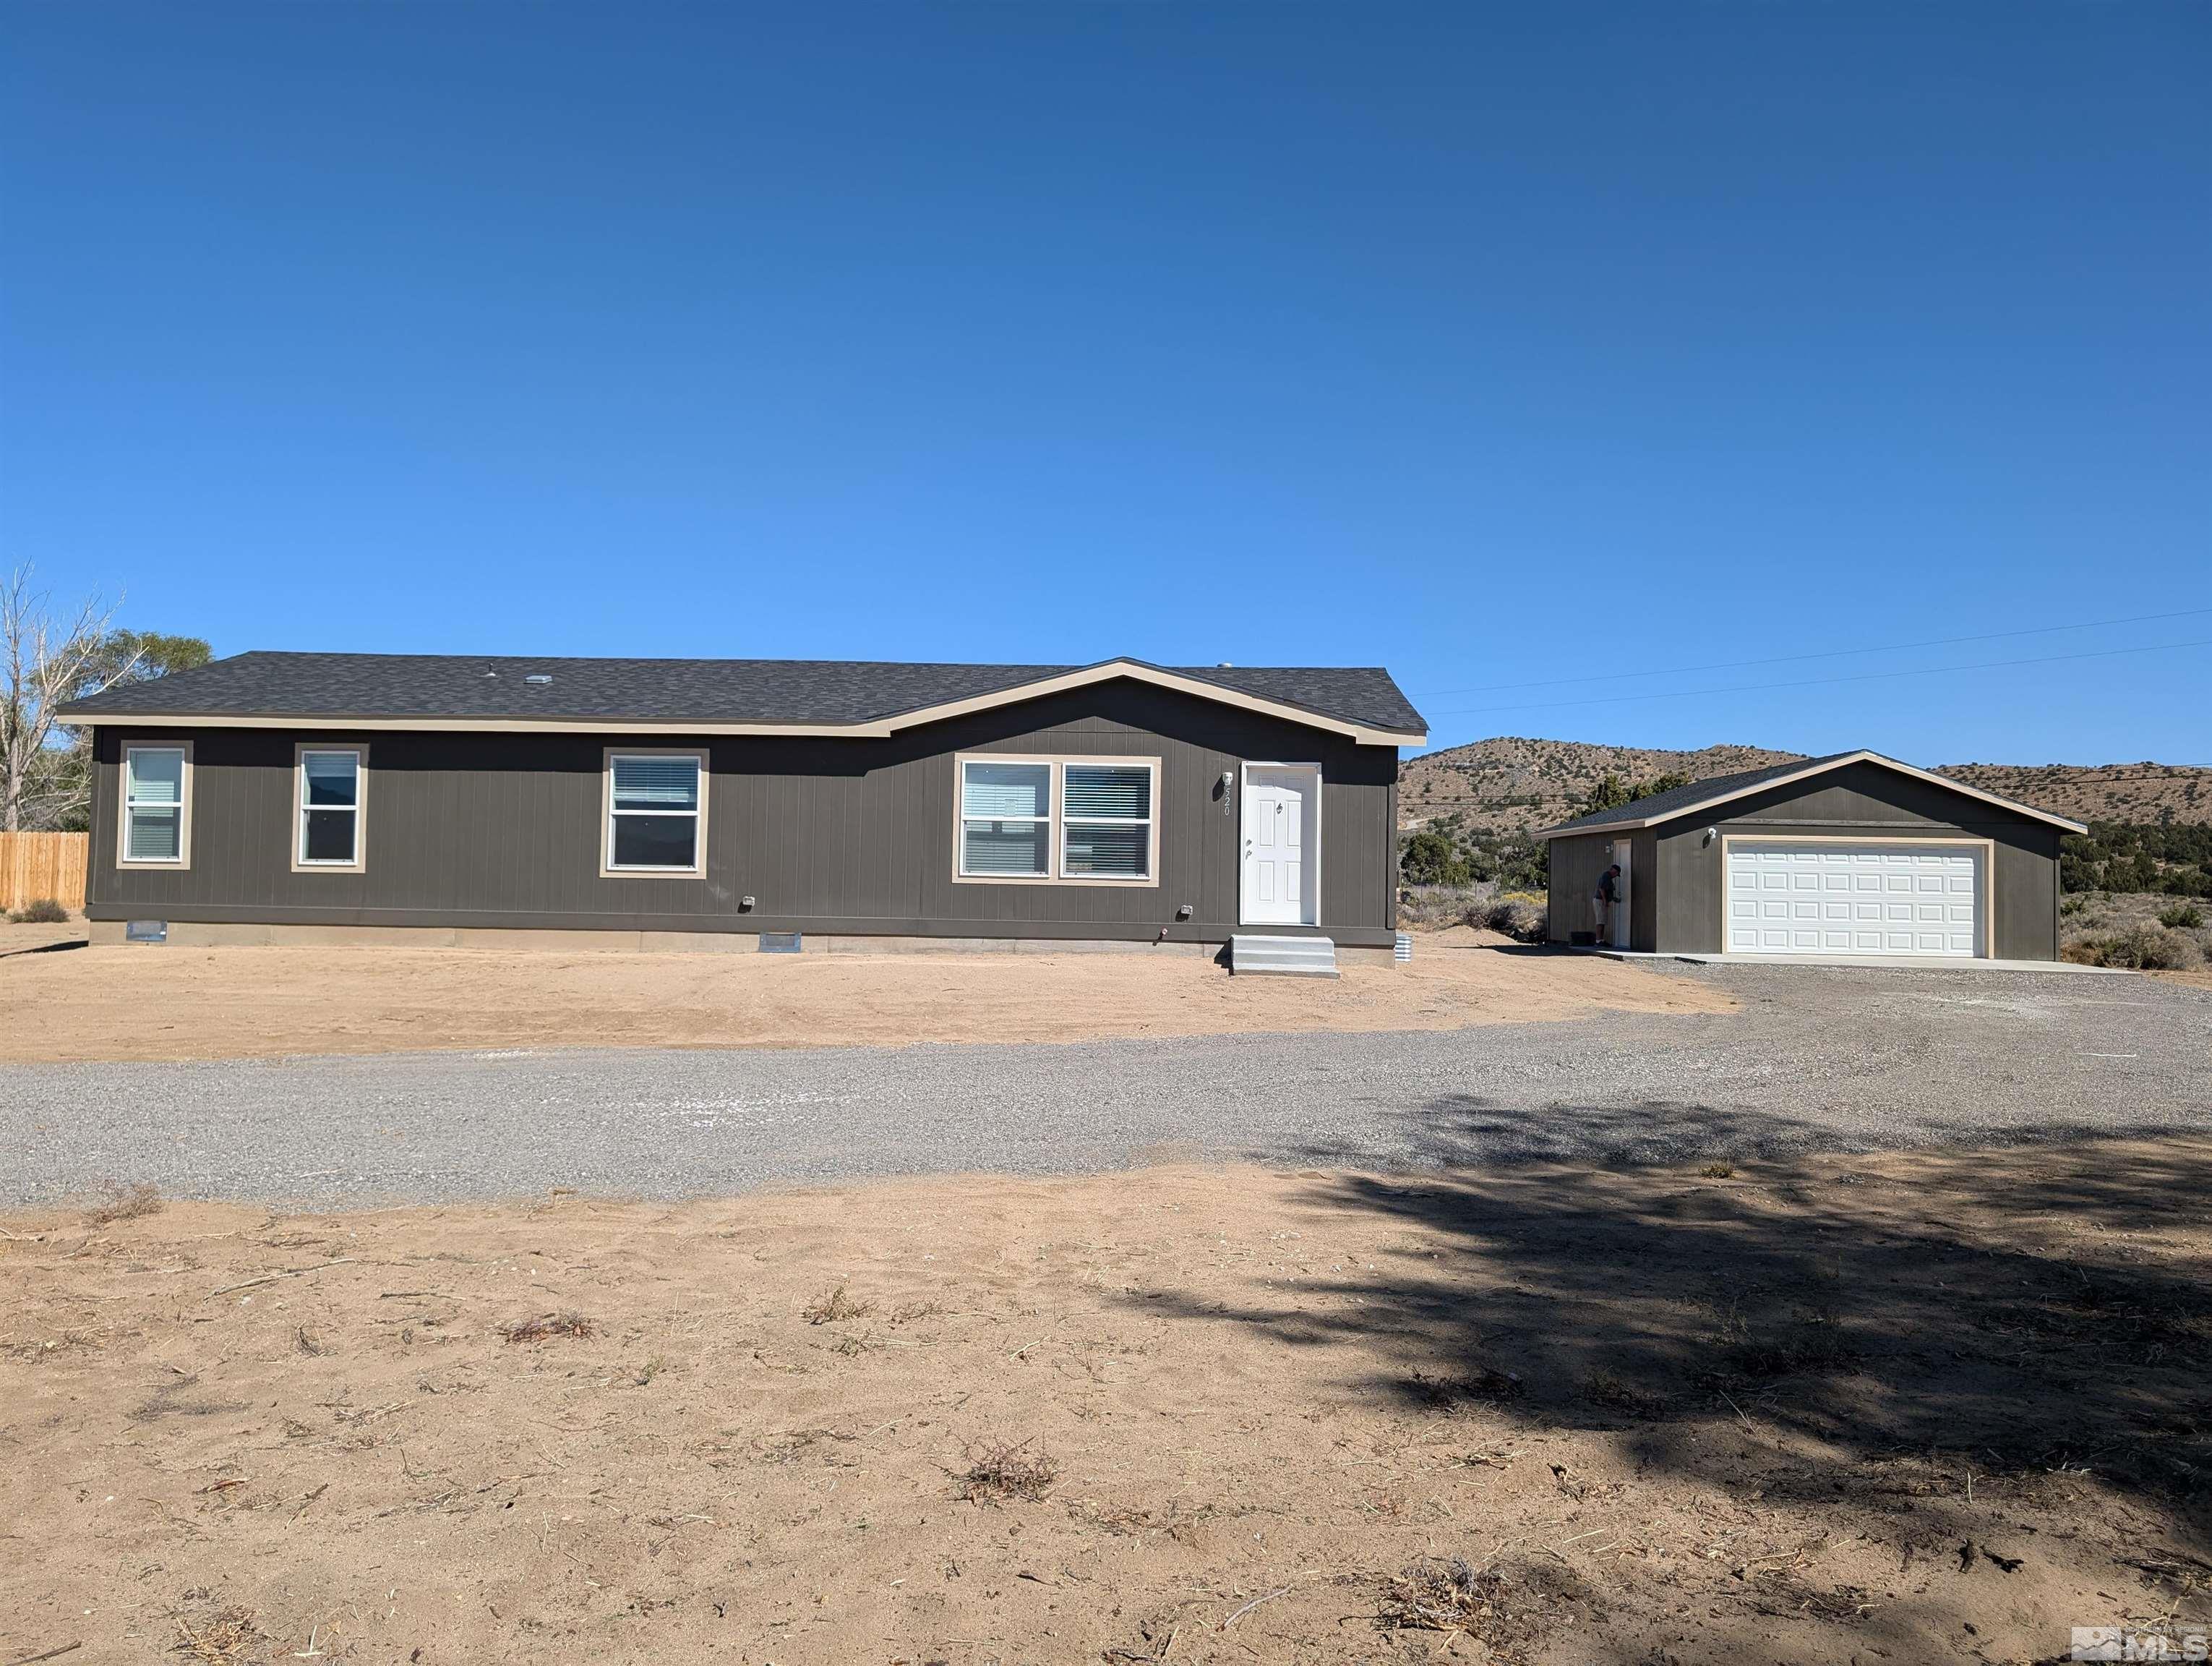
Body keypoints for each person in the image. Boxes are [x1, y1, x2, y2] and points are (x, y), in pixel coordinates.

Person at [1592, 863, 1621, 944]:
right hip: (1600, 901)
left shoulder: (1608, 877)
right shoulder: (1606, 876)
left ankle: (1601, 940)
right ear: (1613, 870)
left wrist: (1613, 899)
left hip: (1602, 901)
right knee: (1600, 921)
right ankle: (1598, 941)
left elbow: (1608, 891)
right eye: (1616, 874)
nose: (1616, 876)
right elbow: (1602, 889)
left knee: (1603, 921)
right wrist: (1605, 901)